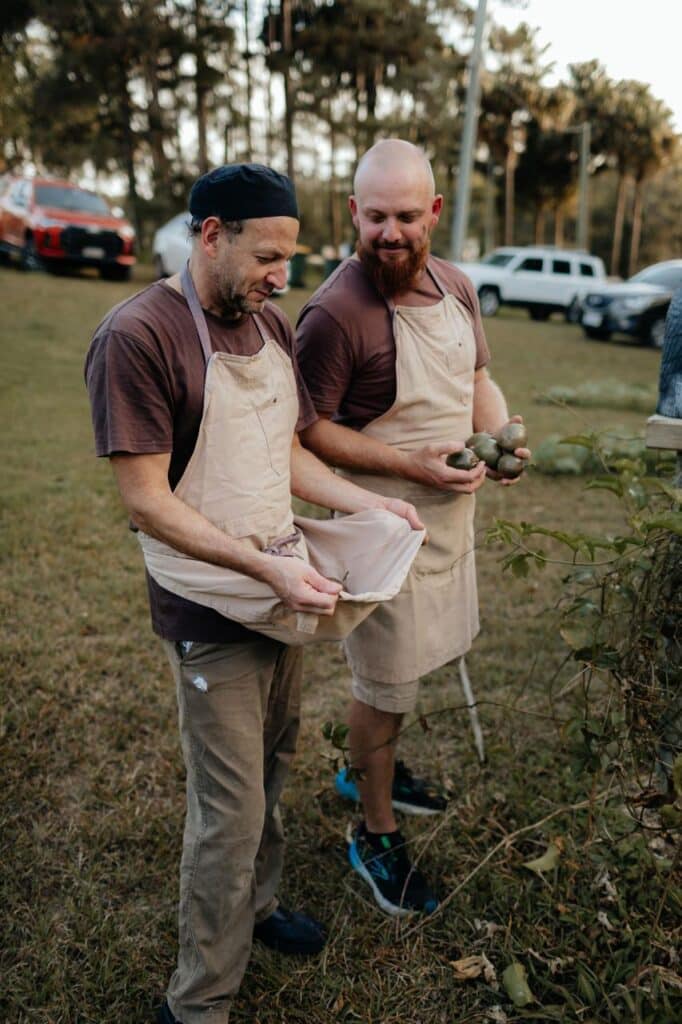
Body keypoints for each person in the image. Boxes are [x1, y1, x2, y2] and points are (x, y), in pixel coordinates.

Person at [84, 163, 422, 1024]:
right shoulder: (139, 336)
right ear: (210, 234)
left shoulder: (268, 324)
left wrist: (370, 502)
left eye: (289, 258)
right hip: (211, 605)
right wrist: (265, 567)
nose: (283, 276)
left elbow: (291, 455)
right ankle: (198, 1000)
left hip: (284, 585)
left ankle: (260, 908)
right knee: (229, 811)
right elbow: (146, 500)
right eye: (267, 255)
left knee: (274, 768)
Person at [296, 139, 530, 917]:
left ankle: (368, 770)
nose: (389, 233)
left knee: (415, 666)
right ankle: (374, 827)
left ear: (433, 213)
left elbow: (476, 381)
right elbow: (311, 434)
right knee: (384, 679)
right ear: (351, 214)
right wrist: (414, 469)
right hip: (380, 523)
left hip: (448, 517)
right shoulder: (335, 312)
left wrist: (503, 440)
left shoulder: (457, 285)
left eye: (405, 215)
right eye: (374, 217)